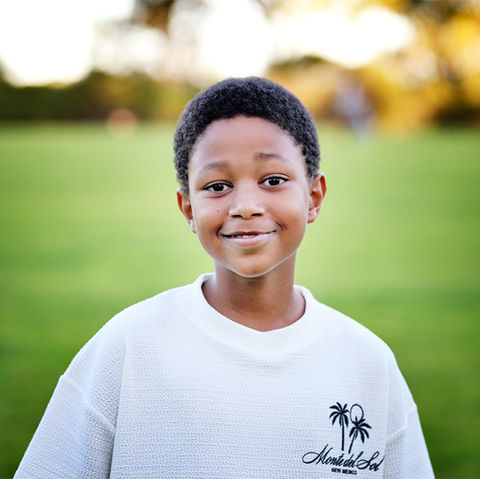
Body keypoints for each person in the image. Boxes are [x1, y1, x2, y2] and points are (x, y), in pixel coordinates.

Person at [14, 77, 434, 478]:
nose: (246, 205)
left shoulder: (368, 363)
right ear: (188, 209)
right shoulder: (127, 346)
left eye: (273, 180)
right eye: (217, 186)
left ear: (313, 197)